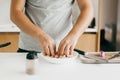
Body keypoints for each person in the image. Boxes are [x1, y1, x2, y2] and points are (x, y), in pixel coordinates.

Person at [10, 0, 93, 57]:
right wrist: (40, 35)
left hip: (63, 52)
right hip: (29, 50)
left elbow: (87, 8)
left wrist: (74, 35)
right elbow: (15, 12)